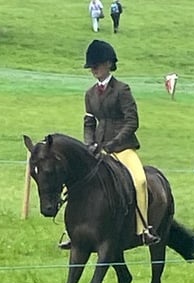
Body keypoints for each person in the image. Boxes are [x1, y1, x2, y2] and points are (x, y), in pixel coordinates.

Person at [58, 40, 160, 249]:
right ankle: (73, 232)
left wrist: (113, 144)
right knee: (80, 182)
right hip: (98, 148)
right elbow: (89, 122)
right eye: (91, 67)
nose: (93, 70)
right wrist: (89, 144)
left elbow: (132, 121)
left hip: (123, 148)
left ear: (107, 64)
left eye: (96, 65)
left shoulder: (122, 90)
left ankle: (143, 230)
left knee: (140, 181)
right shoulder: (90, 94)